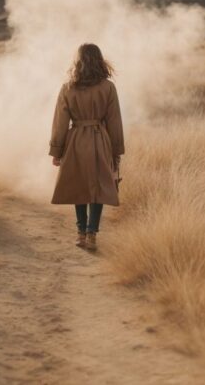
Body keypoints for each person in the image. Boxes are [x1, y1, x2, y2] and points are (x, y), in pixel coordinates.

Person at [49, 43, 125, 252]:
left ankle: (81, 233)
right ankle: (92, 233)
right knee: (98, 187)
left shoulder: (68, 87)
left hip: (75, 141)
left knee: (78, 185)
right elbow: (114, 121)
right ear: (100, 60)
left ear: (78, 61)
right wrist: (116, 151)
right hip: (100, 140)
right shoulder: (108, 87)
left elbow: (60, 122)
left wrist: (57, 150)